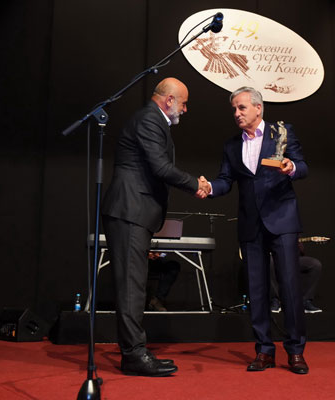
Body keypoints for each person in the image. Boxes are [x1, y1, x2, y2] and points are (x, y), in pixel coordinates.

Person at [101, 77, 210, 377]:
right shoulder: (150, 119)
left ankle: (134, 351)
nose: (185, 110)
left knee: (134, 285)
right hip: (129, 209)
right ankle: (134, 356)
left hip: (134, 211)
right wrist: (195, 184)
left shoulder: (153, 120)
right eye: (184, 103)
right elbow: (160, 167)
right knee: (131, 287)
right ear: (169, 100)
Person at [204, 86, 310, 374]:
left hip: (282, 221)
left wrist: (291, 167)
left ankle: (295, 351)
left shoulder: (281, 133)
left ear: (258, 108)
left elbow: (303, 167)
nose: (237, 114)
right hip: (250, 224)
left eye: (242, 108)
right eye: (234, 110)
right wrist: (210, 187)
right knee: (257, 290)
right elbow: (226, 180)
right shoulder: (231, 145)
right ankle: (264, 350)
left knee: (289, 287)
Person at [270, 242, 323, 314]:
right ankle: (275, 300)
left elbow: (300, 249)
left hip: (291, 258)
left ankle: (305, 301)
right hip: (274, 257)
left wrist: (297, 246)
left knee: (315, 264)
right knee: (270, 261)